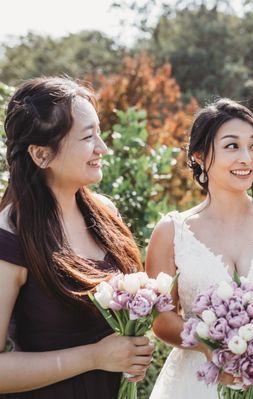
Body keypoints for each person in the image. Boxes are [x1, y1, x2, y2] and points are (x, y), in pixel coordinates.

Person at [0, 77, 154, 398]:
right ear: (41, 155)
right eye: (88, 137)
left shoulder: (105, 213)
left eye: (99, 132)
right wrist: (95, 357)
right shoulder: (10, 234)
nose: (103, 148)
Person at [146, 99, 253, 398]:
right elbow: (161, 319)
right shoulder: (172, 232)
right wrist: (208, 343)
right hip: (199, 383)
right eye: (232, 146)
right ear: (199, 156)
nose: (247, 158)